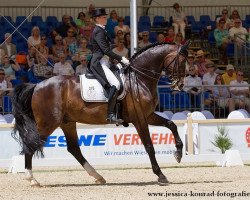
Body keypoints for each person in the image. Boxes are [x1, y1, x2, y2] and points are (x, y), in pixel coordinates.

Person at [90, 8, 130, 124]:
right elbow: (105, 50)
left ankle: (119, 112)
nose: (105, 18)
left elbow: (106, 47)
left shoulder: (102, 30)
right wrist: (121, 58)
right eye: (103, 17)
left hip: (106, 61)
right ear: (97, 19)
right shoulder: (98, 31)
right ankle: (110, 115)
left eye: (105, 17)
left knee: (121, 79)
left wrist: (114, 45)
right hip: (99, 62)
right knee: (116, 84)